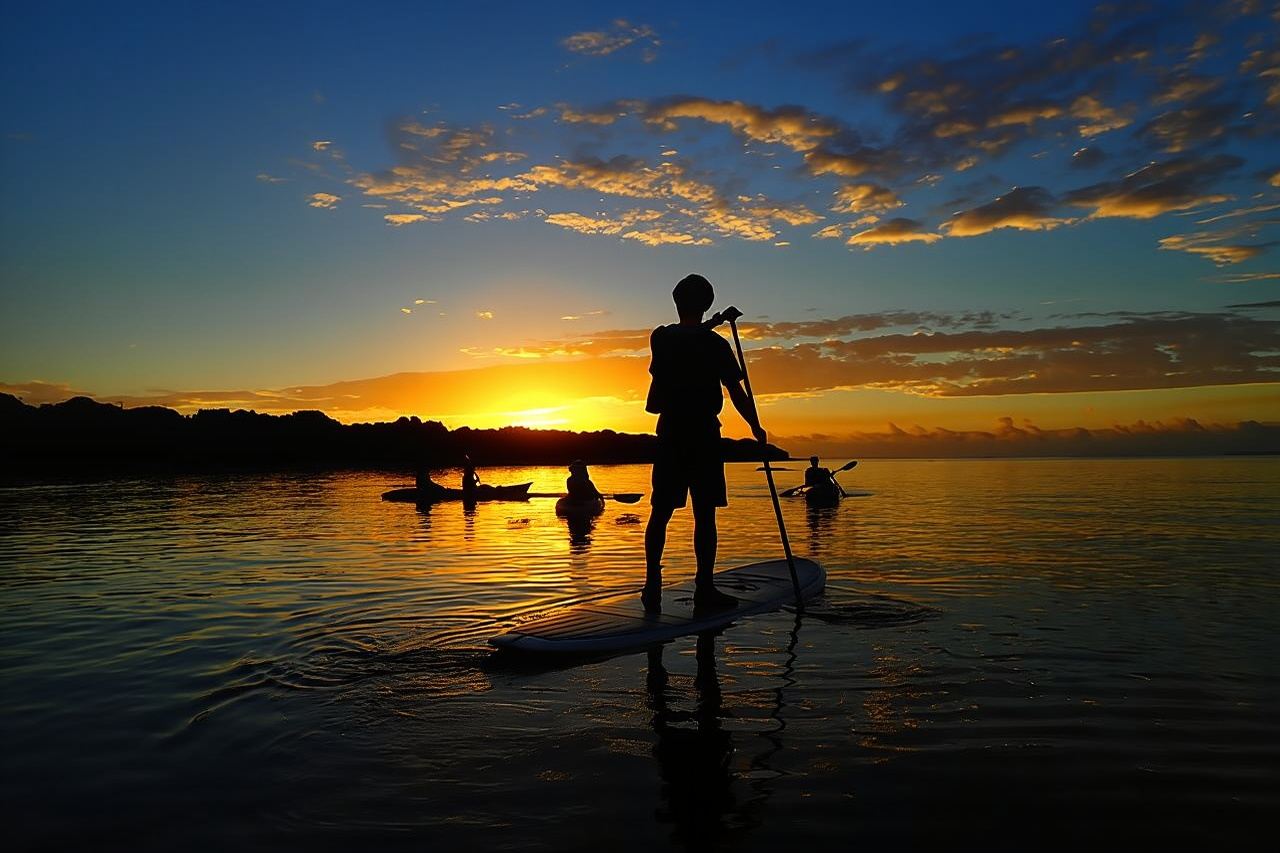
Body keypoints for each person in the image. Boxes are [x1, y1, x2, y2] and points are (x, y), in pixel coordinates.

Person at [643, 273, 767, 612]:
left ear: (677, 303)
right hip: (701, 435)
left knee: (661, 512)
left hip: (670, 433)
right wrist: (755, 425)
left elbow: (688, 336)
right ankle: (702, 588)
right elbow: (736, 392)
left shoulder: (662, 338)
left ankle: (653, 584)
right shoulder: (714, 344)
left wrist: (715, 321)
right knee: (703, 514)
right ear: (706, 304)